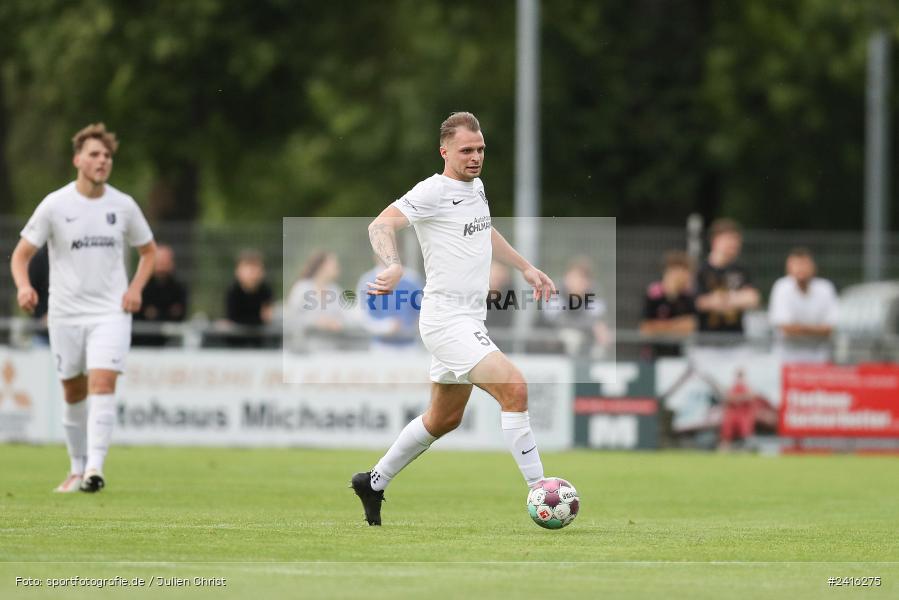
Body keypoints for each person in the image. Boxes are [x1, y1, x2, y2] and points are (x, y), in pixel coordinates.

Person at [350, 112, 556, 525]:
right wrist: (391, 264)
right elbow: (381, 224)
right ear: (444, 151)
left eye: (480, 149)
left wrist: (525, 267)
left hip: (468, 320)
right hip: (446, 320)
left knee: (443, 419)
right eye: (466, 150)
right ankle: (542, 490)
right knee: (514, 387)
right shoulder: (433, 191)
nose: (476, 157)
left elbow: (485, 231)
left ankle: (373, 481)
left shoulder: (475, 187)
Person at [10, 123, 156, 494]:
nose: (102, 160)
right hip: (66, 313)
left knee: (103, 383)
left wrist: (136, 288)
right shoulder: (55, 205)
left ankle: (94, 468)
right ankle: (76, 468)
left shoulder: (122, 205)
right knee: (73, 392)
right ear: (77, 159)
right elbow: (21, 255)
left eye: (107, 155)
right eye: (94, 154)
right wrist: (25, 286)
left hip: (110, 312)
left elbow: (148, 251)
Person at [768, 248, 838, 363]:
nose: (800, 268)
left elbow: (830, 328)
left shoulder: (826, 288)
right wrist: (816, 330)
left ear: (813, 267)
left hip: (819, 358)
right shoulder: (781, 287)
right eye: (796, 264)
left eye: (804, 264)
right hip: (787, 358)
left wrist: (798, 329)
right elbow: (786, 329)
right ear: (788, 268)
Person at [694, 219, 759, 342]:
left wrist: (720, 299)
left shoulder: (741, 270)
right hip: (706, 343)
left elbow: (752, 299)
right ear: (715, 241)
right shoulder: (700, 270)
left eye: (737, 240)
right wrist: (737, 299)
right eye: (730, 239)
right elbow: (699, 303)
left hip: (736, 342)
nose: (735, 244)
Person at [542, 257, 610, 357]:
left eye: (582, 278)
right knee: (571, 337)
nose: (577, 282)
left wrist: (595, 327)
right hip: (549, 340)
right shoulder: (554, 289)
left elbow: (597, 320)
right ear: (566, 276)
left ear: (588, 282)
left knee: (602, 337)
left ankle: (588, 370)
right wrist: (587, 326)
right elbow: (556, 321)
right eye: (573, 277)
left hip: (584, 338)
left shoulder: (594, 292)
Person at [355, 256, 423, 350]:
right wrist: (386, 326)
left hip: (410, 346)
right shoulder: (368, 280)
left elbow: (423, 312)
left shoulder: (412, 279)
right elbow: (362, 317)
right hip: (381, 346)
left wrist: (416, 325)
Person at [285, 251, 349, 351]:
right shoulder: (302, 288)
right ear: (322, 266)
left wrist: (335, 323)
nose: (337, 267)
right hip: (304, 351)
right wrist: (316, 322)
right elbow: (291, 317)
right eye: (333, 264)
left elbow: (345, 318)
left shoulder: (336, 291)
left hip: (331, 352)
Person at [640, 250, 697, 358]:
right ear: (671, 271)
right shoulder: (653, 294)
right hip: (653, 355)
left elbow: (690, 326)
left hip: (680, 356)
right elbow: (646, 328)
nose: (688, 276)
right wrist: (677, 326)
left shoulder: (687, 297)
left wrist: (660, 328)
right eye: (685, 271)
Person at [133, 244, 188, 346]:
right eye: (159, 263)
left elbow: (180, 315)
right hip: (142, 342)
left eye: (165, 263)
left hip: (171, 343)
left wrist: (155, 315)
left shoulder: (178, 288)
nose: (161, 268)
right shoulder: (141, 287)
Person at [223, 249, 273, 348]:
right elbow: (233, 318)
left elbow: (266, 319)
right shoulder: (233, 291)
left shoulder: (266, 291)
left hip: (260, 343)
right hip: (235, 343)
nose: (253, 272)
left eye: (256, 268)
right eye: (249, 268)